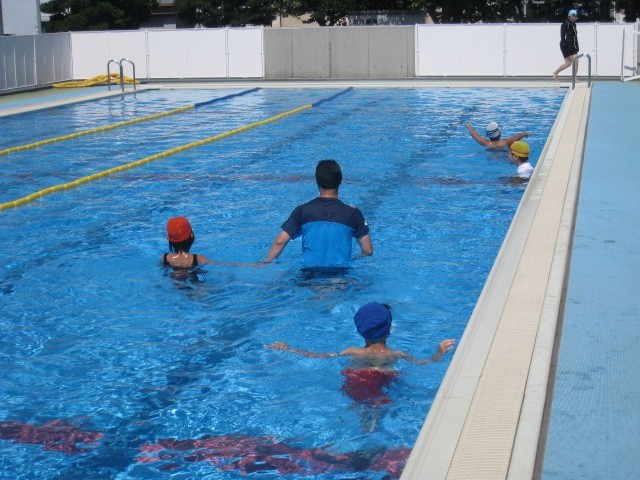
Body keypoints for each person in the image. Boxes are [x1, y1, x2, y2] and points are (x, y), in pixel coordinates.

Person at [265, 302, 455, 405]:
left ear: (359, 331)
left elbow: (319, 356)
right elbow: (424, 363)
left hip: (356, 379)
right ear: (390, 328)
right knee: (377, 407)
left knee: (358, 408)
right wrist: (438, 351)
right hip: (384, 378)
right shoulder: (397, 354)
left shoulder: (352, 352)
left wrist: (289, 349)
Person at [264, 159, 373, 268]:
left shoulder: (302, 210)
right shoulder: (353, 212)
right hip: (340, 272)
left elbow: (280, 241)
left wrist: (265, 263)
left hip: (309, 273)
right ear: (340, 180)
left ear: (317, 181)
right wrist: (352, 262)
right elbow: (367, 250)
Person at [553, 9, 579, 81]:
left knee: (576, 61)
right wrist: (567, 46)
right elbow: (562, 37)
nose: (575, 18)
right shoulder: (565, 24)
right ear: (569, 16)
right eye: (573, 16)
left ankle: (574, 78)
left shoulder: (574, 25)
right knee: (568, 63)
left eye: (576, 17)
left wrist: (576, 46)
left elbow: (574, 37)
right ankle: (556, 72)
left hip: (573, 46)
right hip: (565, 45)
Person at [464, 122, 531, 149]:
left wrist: (469, 126)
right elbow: (518, 136)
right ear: (499, 133)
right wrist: (526, 133)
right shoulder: (505, 142)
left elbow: (474, 134)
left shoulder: (486, 143)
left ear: (488, 135)